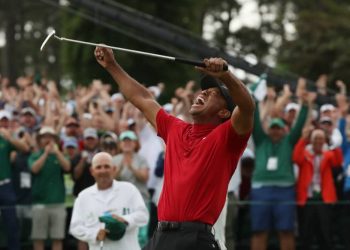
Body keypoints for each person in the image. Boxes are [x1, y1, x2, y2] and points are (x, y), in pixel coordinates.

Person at [94, 47, 255, 250]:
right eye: (204, 89)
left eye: (213, 93)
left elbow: (247, 107)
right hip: (161, 235)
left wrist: (226, 76)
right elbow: (142, 98)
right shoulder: (175, 129)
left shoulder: (229, 137)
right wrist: (112, 66)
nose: (203, 92)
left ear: (224, 112)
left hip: (194, 240)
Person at [250, 90, 313, 250]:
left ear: (284, 130)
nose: (276, 131)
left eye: (279, 128)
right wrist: (255, 103)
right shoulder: (260, 140)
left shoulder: (289, 142)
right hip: (260, 189)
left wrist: (305, 106)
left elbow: (298, 126)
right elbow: (255, 122)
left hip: (285, 190)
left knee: (286, 230)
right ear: (268, 129)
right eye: (273, 128)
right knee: (259, 230)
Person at [69, 152, 149, 250]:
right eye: (98, 167)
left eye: (107, 166)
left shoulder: (129, 189)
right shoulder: (83, 197)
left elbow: (143, 216)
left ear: (114, 169)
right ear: (92, 171)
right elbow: (75, 227)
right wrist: (95, 234)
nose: (103, 170)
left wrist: (125, 220)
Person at [293, 128, 342, 250]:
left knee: (325, 234)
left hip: (324, 199)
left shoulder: (328, 154)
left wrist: (331, 143)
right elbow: (296, 157)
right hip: (307, 199)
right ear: (311, 140)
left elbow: (338, 161)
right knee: (306, 235)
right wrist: (303, 139)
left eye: (321, 139)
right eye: (316, 138)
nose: (318, 141)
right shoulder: (305, 154)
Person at [28, 126, 71, 250]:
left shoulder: (60, 155)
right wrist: (46, 153)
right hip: (39, 203)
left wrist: (56, 152)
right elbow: (34, 169)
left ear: (55, 140)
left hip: (58, 202)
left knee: (57, 238)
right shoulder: (35, 155)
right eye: (44, 137)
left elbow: (67, 167)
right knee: (38, 238)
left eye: (50, 137)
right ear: (40, 140)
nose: (47, 140)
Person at [0, 110, 29, 250]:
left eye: (6, 121)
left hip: (5, 185)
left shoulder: (6, 139)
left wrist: (10, 138)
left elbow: (25, 148)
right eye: (1, 121)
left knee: (12, 224)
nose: (3, 124)